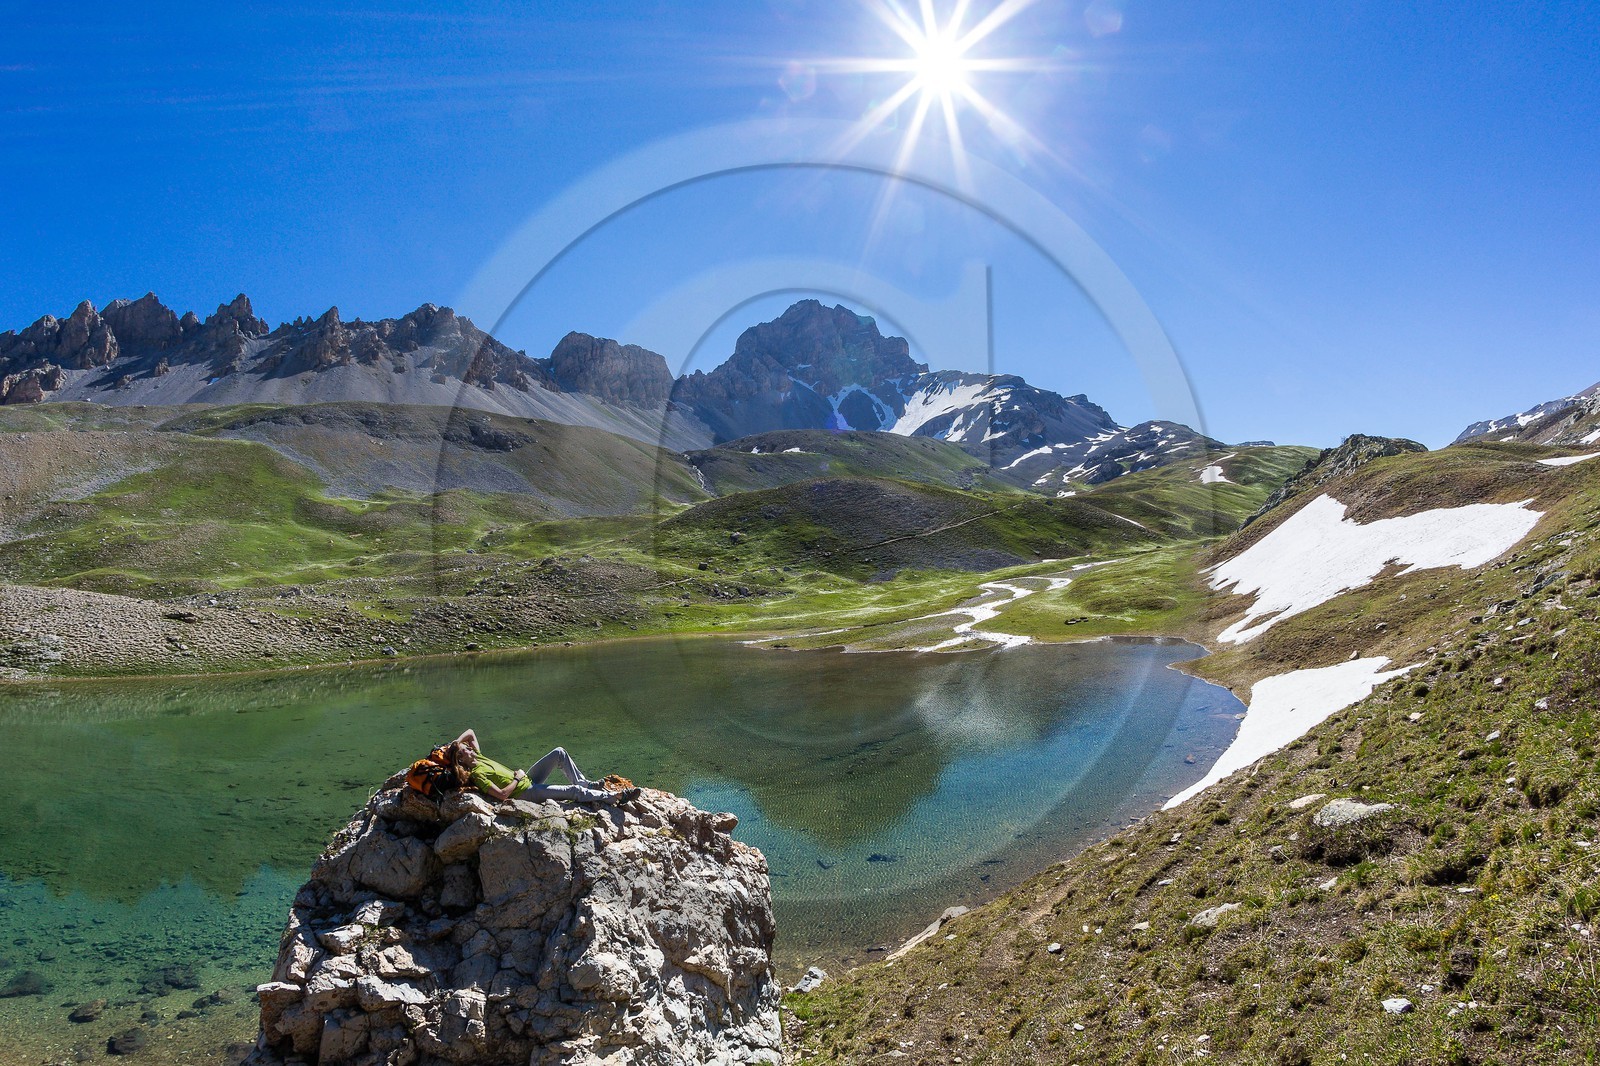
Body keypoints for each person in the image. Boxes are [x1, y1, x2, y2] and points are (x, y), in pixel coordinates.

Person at [445, 729, 639, 805]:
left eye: (467, 748)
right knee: (572, 791)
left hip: (528, 781)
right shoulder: (477, 774)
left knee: (559, 753)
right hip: (524, 792)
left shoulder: (479, 757)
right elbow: (502, 795)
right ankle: (614, 797)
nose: (470, 749)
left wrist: (456, 742)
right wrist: (517, 779)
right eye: (465, 751)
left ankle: (586, 784)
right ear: (461, 761)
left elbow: (471, 733)